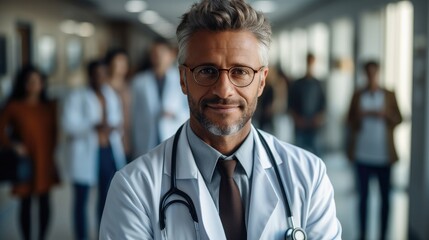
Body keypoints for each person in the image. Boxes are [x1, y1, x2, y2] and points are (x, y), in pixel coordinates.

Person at [100, 0, 342, 239]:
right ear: (183, 79)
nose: (224, 90)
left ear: (261, 81)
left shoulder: (309, 176)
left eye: (241, 72)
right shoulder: (133, 188)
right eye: (207, 71)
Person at [62, 59, 126, 240]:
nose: (100, 78)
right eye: (96, 74)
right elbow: (68, 125)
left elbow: (118, 121)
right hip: (86, 153)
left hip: (108, 153)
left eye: (103, 74)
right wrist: (91, 126)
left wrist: (114, 128)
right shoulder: (77, 96)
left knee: (106, 200)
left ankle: (102, 234)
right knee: (81, 200)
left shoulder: (110, 95)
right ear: (89, 75)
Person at [0, 65, 59, 240]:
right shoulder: (14, 106)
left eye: (38, 81)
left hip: (45, 160)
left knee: (45, 202)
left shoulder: (49, 106)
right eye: (30, 82)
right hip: (25, 161)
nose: (34, 86)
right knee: (25, 203)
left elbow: (54, 133)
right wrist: (13, 145)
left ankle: (42, 237)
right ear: (23, 84)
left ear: (42, 84)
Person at [347, 61, 402, 240]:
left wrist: (387, 115)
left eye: (374, 73)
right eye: (368, 73)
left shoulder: (389, 94)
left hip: (384, 156)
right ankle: (362, 234)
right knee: (363, 199)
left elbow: (399, 118)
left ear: (378, 73)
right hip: (363, 154)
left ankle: (383, 234)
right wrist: (359, 116)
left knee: (385, 199)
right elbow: (349, 119)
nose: (371, 77)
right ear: (365, 74)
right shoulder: (358, 94)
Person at [130, 38, 189, 158]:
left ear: (170, 55)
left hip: (172, 132)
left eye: (161, 53)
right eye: (154, 53)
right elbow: (135, 114)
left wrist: (174, 114)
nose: (158, 57)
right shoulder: (139, 82)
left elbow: (190, 109)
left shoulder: (182, 79)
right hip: (147, 137)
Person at [288, 53, 326, 156]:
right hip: (300, 124)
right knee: (299, 154)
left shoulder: (318, 84)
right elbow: (290, 104)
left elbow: (323, 104)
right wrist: (297, 119)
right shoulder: (297, 83)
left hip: (314, 125)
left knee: (316, 154)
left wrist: (318, 118)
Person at [105, 48, 132, 162]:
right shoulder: (104, 89)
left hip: (129, 141)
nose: (122, 66)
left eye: (124, 62)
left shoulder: (130, 87)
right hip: (110, 142)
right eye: (118, 62)